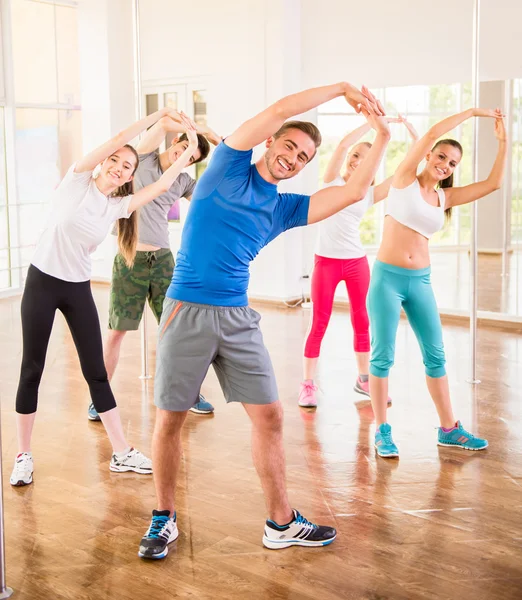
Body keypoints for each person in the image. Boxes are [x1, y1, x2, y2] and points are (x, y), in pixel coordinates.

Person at [138, 82, 390, 560]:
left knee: (270, 416)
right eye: (289, 145)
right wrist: (340, 90)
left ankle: (281, 522)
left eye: (304, 157)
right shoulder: (226, 168)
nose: (293, 158)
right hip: (186, 309)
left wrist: (381, 135)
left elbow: (356, 190)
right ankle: (163, 518)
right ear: (270, 142)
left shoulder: (285, 207)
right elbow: (278, 108)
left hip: (237, 316)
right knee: (170, 419)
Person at [10, 110, 200, 487]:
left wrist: (191, 146)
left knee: (96, 371)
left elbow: (162, 186)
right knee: (32, 367)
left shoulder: (118, 207)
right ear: (104, 163)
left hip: (77, 287)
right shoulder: (77, 181)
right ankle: (23, 454)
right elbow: (117, 139)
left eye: (127, 166)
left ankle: (122, 452)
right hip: (42, 282)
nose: (119, 166)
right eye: (115, 160)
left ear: (130, 177)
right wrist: (157, 117)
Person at [368, 107, 507, 458]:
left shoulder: (445, 197)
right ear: (428, 156)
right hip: (387, 278)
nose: (445, 164)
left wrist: (505, 143)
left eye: (453, 163)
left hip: (421, 281)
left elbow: (493, 183)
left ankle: (449, 430)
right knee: (383, 356)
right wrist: (474, 112)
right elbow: (431, 133)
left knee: (436, 356)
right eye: (442, 156)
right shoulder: (403, 180)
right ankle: (382, 431)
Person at [86, 111, 221, 422]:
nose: (183, 160)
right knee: (117, 332)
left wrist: (214, 138)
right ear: (176, 142)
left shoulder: (183, 180)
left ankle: (189, 393)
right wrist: (196, 128)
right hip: (130, 258)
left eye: (189, 159)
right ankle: (99, 397)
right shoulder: (143, 158)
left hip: (162, 261)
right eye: (182, 152)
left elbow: (213, 193)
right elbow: (160, 124)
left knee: (176, 330)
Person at [298, 115, 418, 408]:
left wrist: (417, 141)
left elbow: (406, 171)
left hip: (356, 262)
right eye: (355, 156)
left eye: (364, 159)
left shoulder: (370, 193)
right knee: (319, 322)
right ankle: (308, 384)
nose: (355, 161)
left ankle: (363, 379)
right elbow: (342, 144)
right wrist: (375, 124)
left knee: (362, 321)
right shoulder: (331, 181)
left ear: (372, 166)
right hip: (326, 262)